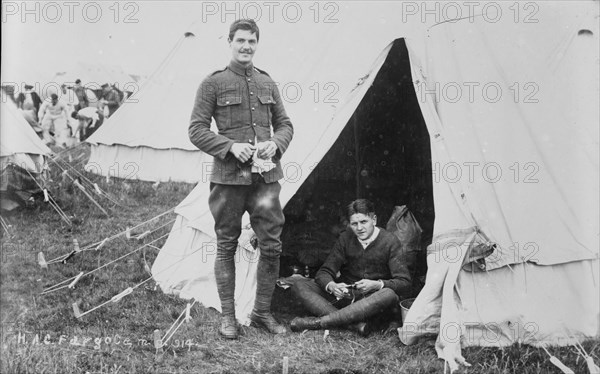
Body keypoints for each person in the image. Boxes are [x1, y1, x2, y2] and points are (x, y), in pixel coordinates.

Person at [188, 19, 294, 339]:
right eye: (241, 41)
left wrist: (275, 144)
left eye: (252, 41)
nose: (246, 47)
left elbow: (286, 125)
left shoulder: (267, 81)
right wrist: (230, 146)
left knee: (272, 247)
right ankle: (228, 316)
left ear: (257, 44)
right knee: (226, 246)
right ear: (230, 42)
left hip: (265, 180)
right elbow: (196, 130)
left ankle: (261, 312)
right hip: (229, 180)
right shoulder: (213, 83)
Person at [289, 199, 412, 336]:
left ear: (374, 220)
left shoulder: (390, 241)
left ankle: (319, 323)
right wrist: (332, 286)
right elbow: (324, 272)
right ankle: (353, 325)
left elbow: (404, 282)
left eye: (364, 222)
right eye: (354, 224)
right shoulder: (345, 238)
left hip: (372, 301)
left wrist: (377, 285)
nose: (359, 228)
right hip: (347, 297)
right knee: (299, 285)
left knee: (388, 294)